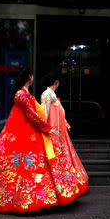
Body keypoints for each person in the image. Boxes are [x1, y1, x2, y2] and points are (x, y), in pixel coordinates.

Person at [0, 68, 74, 213]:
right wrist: (46, 127)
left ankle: (25, 196)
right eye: (32, 76)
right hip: (21, 131)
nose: (33, 78)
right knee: (22, 164)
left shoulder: (24, 94)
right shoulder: (21, 94)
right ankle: (18, 197)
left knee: (23, 164)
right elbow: (32, 115)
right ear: (30, 78)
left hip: (24, 130)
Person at [40, 72, 89, 203]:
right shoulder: (47, 94)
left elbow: (57, 112)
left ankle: (63, 186)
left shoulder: (50, 94)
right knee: (58, 159)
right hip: (54, 134)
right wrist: (46, 129)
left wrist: (65, 123)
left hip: (58, 133)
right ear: (56, 82)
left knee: (62, 159)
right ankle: (59, 187)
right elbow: (45, 113)